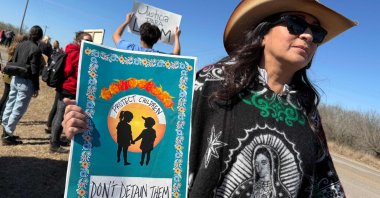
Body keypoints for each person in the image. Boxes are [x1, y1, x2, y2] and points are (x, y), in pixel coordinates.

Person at [62, 0, 356, 196]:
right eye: (295, 25)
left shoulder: (306, 109)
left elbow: (323, 182)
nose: (307, 36)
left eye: (315, 32)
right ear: (263, 33)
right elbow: (159, 138)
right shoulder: (214, 84)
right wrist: (91, 125)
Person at [49, 31, 92, 153]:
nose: (90, 44)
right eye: (88, 41)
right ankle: (54, 144)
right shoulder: (77, 54)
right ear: (79, 42)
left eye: (91, 41)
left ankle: (55, 139)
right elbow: (73, 72)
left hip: (64, 87)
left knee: (59, 114)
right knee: (61, 115)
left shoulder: (70, 50)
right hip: (69, 89)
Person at [1, 26, 43, 145]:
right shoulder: (36, 49)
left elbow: (14, 60)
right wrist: (36, 87)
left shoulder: (21, 44)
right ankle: (8, 135)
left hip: (15, 79)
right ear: (40, 36)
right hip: (26, 81)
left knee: (10, 104)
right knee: (18, 108)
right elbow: (34, 71)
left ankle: (6, 130)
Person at [112, 12, 181, 55]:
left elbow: (115, 35)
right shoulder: (159, 56)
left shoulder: (130, 48)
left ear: (140, 37)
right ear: (156, 41)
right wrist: (176, 37)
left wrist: (126, 22)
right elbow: (176, 55)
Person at [0, 34, 28, 123]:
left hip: (8, 75)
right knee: (7, 97)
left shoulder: (12, 47)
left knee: (6, 96)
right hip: (10, 75)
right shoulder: (18, 49)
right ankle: (1, 115)